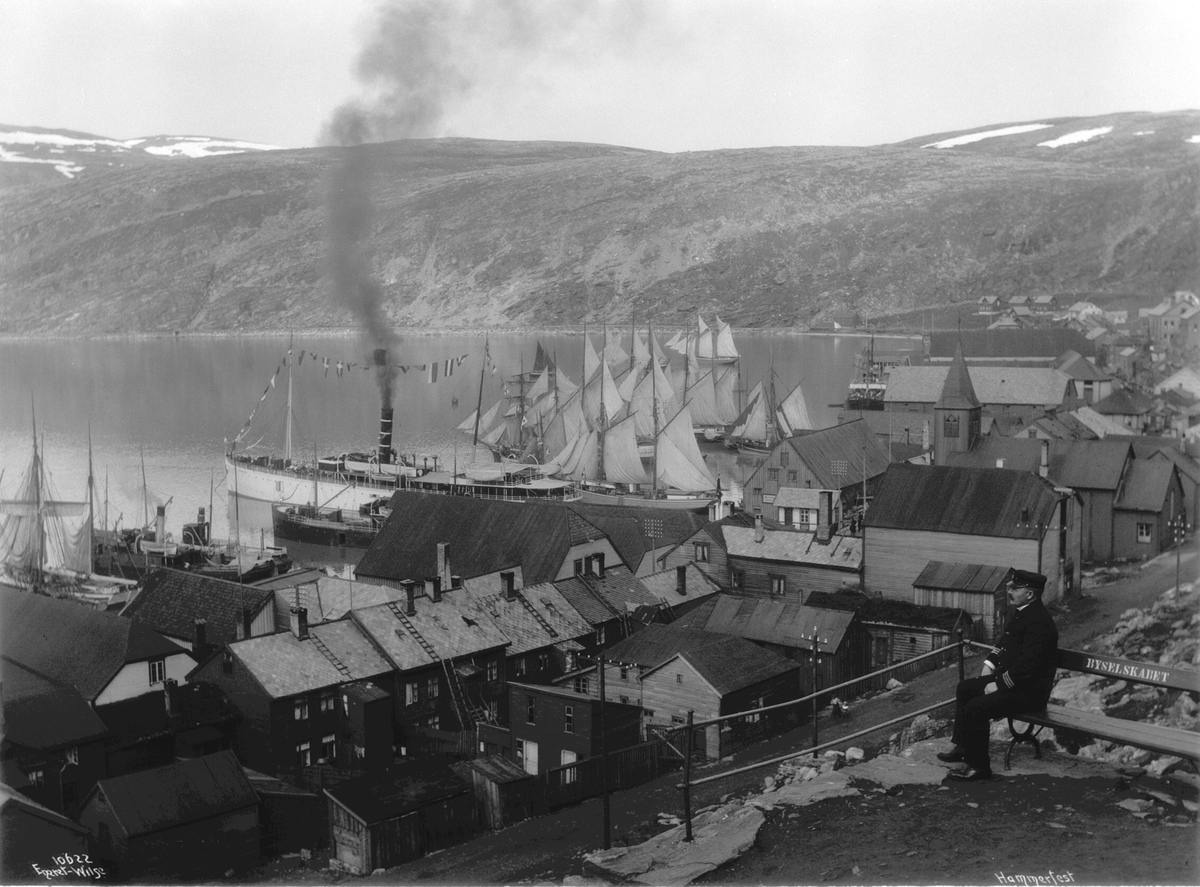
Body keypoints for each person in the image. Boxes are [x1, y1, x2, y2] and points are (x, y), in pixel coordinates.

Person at [937, 568, 1059, 781]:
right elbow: (1005, 643)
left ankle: (979, 767)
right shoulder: (1022, 611)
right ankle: (963, 747)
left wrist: (999, 684)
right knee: (965, 689)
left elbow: (1028, 667)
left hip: (1030, 693)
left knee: (977, 708)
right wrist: (989, 663)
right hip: (1016, 683)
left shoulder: (1040, 622)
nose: (1009, 591)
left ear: (1029, 594)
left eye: (1015, 588)